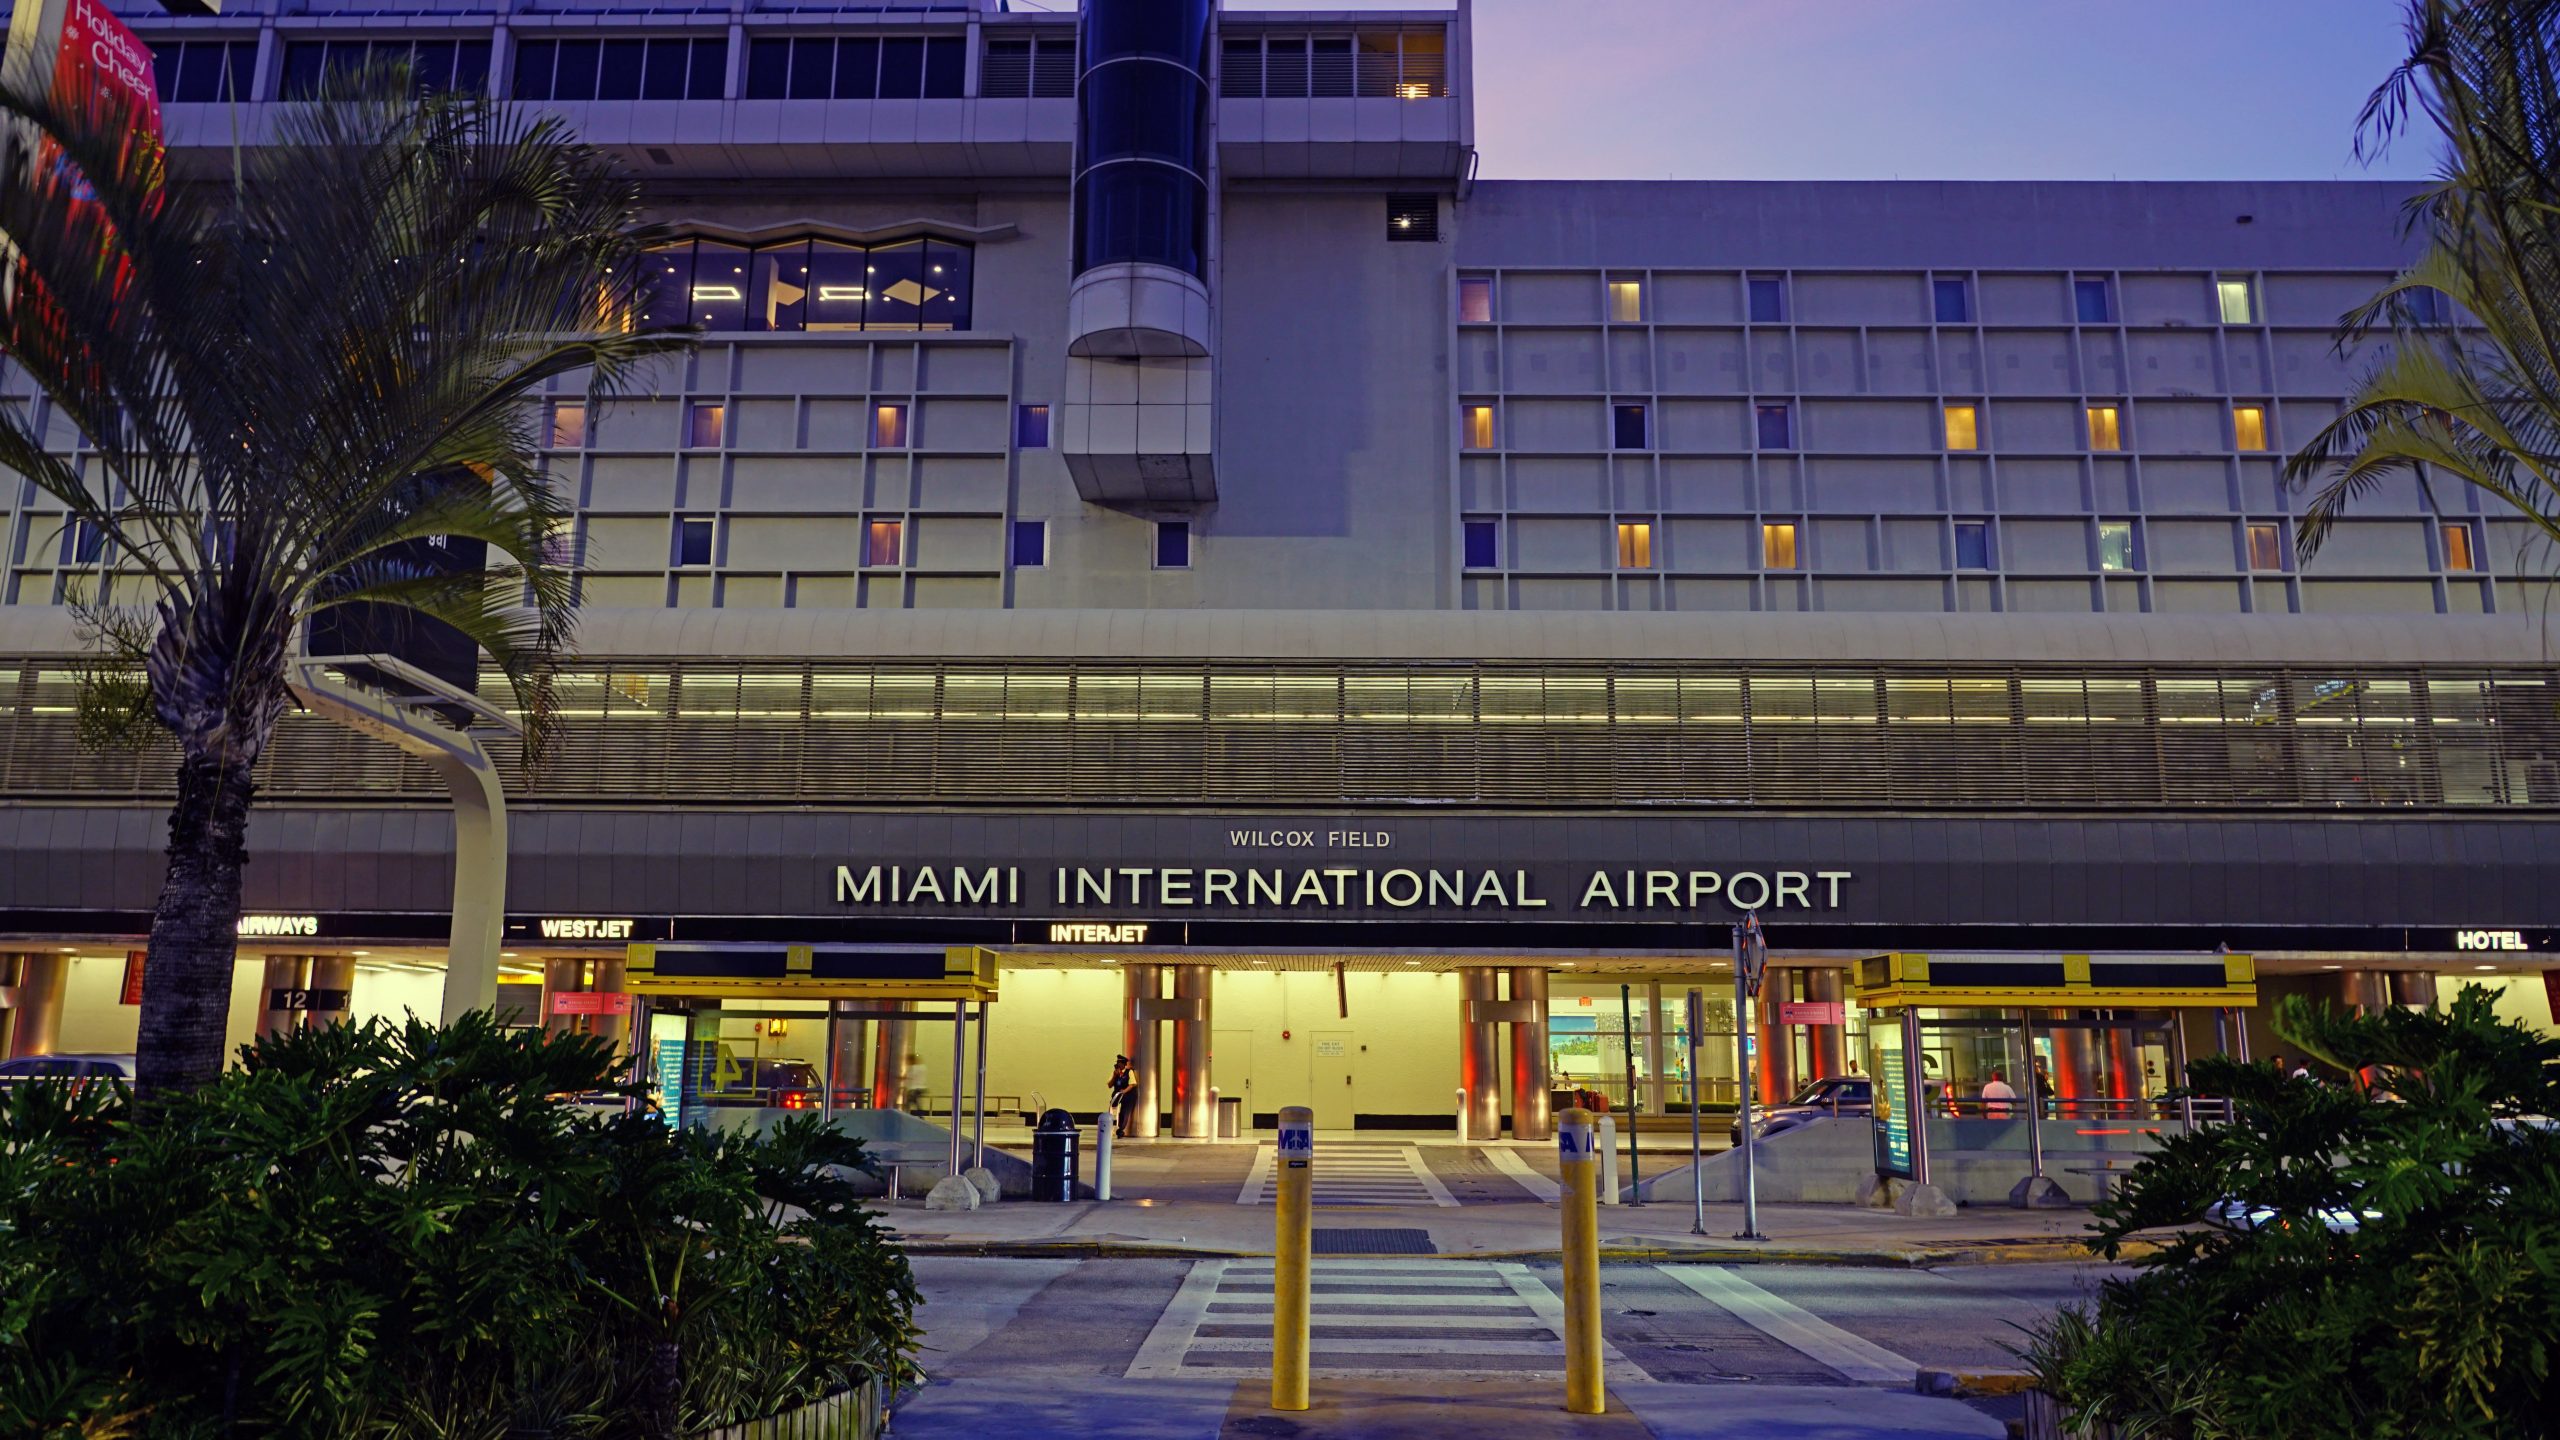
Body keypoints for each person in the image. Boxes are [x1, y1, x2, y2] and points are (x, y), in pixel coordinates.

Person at [1108, 1055, 1137, 1137]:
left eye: (1120, 1063)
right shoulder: (1115, 1072)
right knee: (1112, 1108)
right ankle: (1111, 1125)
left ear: (1124, 1064)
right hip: (1117, 1094)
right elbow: (1109, 1085)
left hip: (1127, 1094)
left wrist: (1124, 1091)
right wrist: (1114, 1076)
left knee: (1125, 1111)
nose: (1118, 1065)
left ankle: (1120, 1129)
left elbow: (1132, 1084)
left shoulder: (1129, 1072)